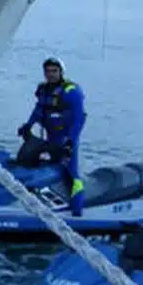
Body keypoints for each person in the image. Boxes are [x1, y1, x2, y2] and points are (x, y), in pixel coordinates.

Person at [18, 56, 87, 216]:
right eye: (47, 71)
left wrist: (70, 142)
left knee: (72, 176)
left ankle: (77, 212)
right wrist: (28, 125)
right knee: (29, 161)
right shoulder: (43, 89)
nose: (50, 74)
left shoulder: (72, 91)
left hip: (66, 140)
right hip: (50, 138)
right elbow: (38, 110)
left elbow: (79, 119)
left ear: (61, 72)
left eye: (54, 71)